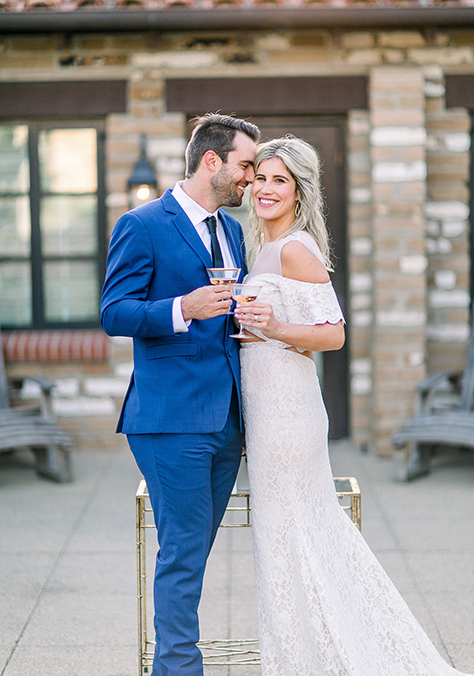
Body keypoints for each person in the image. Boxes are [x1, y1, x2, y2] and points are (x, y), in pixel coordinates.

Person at [234, 135, 474, 676]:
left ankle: (318, 658)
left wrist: (273, 327)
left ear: (299, 193)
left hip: (289, 414)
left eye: (281, 180)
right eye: (262, 178)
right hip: (267, 411)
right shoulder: (259, 249)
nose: (267, 189)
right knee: (284, 543)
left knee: (295, 538)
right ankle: (305, 656)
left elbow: (334, 334)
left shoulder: (296, 247)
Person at [100, 113, 260, 676]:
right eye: (245, 165)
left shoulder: (233, 231)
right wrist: (181, 308)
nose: (252, 178)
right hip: (170, 421)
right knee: (183, 556)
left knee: (192, 553)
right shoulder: (142, 224)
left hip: (226, 422)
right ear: (211, 161)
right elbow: (113, 312)